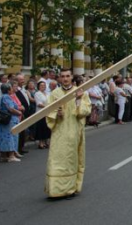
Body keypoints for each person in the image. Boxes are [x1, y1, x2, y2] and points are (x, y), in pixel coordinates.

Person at [45, 69, 91, 200]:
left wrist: (78, 100)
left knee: (71, 159)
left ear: (72, 77)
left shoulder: (80, 92)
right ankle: (54, 189)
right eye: (62, 76)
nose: (65, 79)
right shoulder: (55, 93)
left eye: (67, 76)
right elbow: (48, 111)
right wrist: (56, 114)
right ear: (59, 78)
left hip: (73, 131)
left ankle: (70, 189)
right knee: (55, 158)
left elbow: (86, 111)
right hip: (58, 131)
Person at [0, 83, 23, 162]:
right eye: (11, 88)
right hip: (9, 120)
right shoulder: (7, 97)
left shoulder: (1, 97)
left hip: (2, 120)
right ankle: (11, 155)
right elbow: (11, 108)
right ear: (8, 90)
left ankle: (3, 155)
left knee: (2, 137)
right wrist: (19, 112)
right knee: (10, 137)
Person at [34, 81, 51, 149]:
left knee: (47, 128)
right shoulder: (37, 94)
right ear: (38, 86)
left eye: (44, 85)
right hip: (40, 113)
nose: (43, 87)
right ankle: (41, 143)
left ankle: (46, 141)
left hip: (47, 113)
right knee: (41, 128)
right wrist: (47, 106)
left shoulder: (47, 93)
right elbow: (39, 104)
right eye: (41, 85)